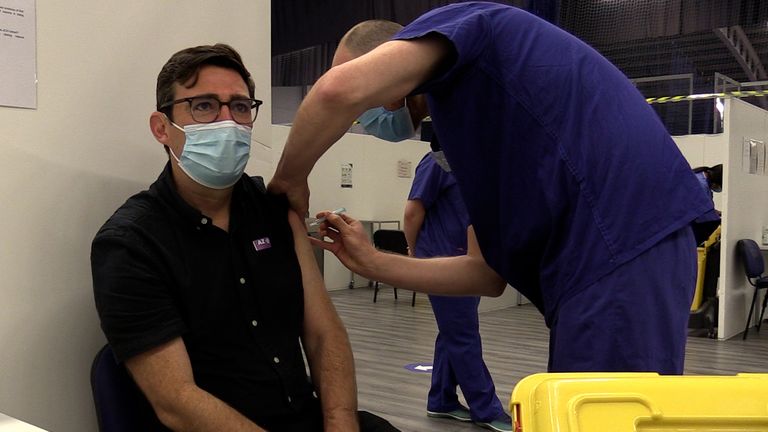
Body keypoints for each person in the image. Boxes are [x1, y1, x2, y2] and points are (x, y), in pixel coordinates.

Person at [269, 2, 716, 374]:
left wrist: (288, 182)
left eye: (370, 94)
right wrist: (371, 262)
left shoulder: (469, 26)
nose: (367, 111)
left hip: (619, 247)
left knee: (605, 414)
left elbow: (334, 92)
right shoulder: (467, 129)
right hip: (599, 265)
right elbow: (484, 274)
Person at [91, 44, 398, 432]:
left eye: (239, 107)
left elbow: (323, 334)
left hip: (300, 418)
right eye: (204, 106)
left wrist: (340, 423)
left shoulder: (274, 211)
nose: (228, 121)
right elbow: (177, 401)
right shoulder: (131, 244)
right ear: (162, 128)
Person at [405, 140, 511, 432]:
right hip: (441, 262)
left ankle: (441, 399)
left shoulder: (472, 163)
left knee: (452, 333)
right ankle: (486, 409)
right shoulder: (437, 161)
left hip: (467, 262)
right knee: (463, 335)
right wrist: (414, 256)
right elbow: (413, 212)